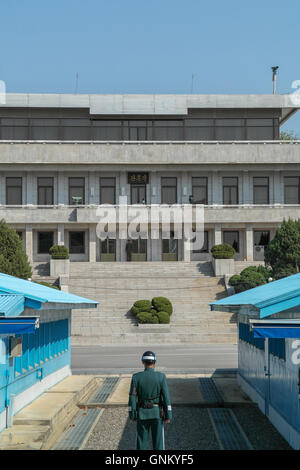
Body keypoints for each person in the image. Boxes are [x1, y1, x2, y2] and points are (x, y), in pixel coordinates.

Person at [128, 351, 172, 450]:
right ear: (154, 362)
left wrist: (132, 415)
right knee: (158, 444)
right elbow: (166, 397)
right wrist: (168, 414)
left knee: (141, 443)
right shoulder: (161, 377)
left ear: (143, 362)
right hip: (157, 414)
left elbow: (132, 397)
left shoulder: (136, 377)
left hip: (142, 414)